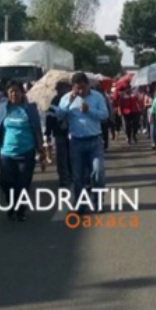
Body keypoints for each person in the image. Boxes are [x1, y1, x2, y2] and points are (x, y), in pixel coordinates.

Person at [0, 81, 45, 221]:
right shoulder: (3, 108)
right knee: (5, 182)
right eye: (11, 91)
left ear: (22, 93)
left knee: (23, 183)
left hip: (27, 152)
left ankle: (20, 210)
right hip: (7, 152)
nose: (14, 94)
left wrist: (41, 148)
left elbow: (37, 129)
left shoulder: (30, 109)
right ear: (7, 94)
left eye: (16, 91)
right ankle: (12, 203)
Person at [55, 73, 110, 212]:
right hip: (76, 141)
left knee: (97, 173)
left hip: (94, 140)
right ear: (73, 87)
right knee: (78, 176)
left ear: (88, 85)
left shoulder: (97, 97)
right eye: (77, 88)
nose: (81, 91)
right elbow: (59, 116)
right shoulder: (66, 98)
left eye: (83, 87)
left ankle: (97, 202)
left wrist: (89, 110)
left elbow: (104, 115)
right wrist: (70, 102)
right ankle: (81, 204)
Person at [45, 82, 73, 188]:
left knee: (71, 156)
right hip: (59, 133)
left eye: (66, 87)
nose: (63, 90)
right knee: (61, 157)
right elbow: (49, 118)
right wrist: (48, 132)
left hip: (72, 132)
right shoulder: (55, 101)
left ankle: (71, 175)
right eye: (61, 88)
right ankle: (63, 178)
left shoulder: (72, 99)